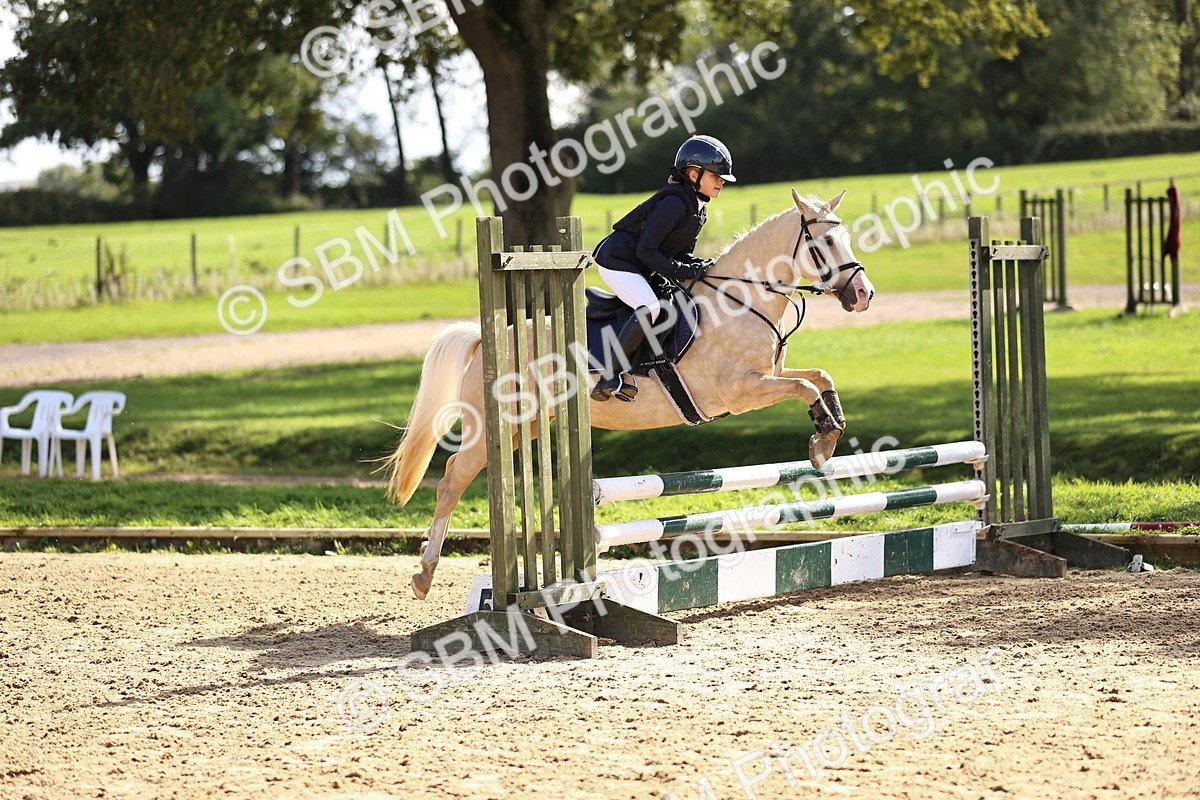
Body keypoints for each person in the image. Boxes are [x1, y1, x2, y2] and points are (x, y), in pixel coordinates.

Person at [590, 134, 735, 402]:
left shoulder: (698, 208)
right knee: (650, 307)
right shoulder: (674, 203)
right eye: (716, 175)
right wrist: (682, 271)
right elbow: (646, 250)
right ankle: (609, 376)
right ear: (693, 174)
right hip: (617, 262)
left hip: (640, 264)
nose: (722, 181)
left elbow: (680, 253)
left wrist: (699, 265)